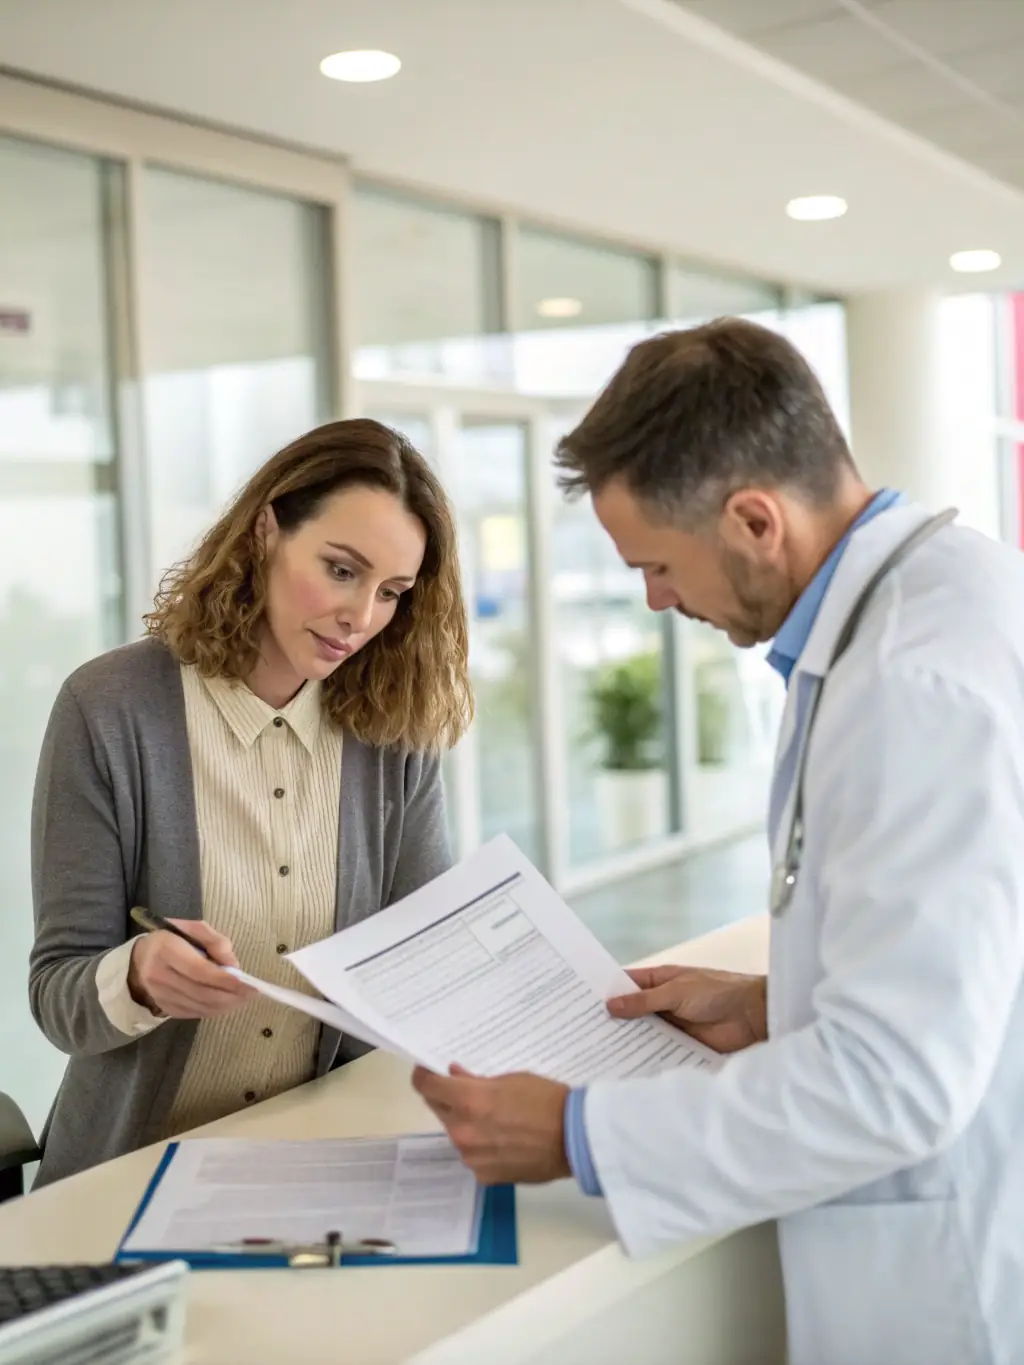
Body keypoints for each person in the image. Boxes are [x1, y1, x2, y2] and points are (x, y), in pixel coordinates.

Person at [413, 319, 1024, 1365]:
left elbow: (897, 1083)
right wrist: (771, 1001)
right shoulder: (950, 592)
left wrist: (575, 1133)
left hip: (955, 1284)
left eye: (656, 565)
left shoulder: (905, 683)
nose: (654, 601)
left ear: (751, 519)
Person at [30, 418, 471, 1185]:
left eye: (392, 592)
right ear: (266, 531)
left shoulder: (396, 735)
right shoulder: (108, 710)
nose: (360, 617)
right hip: (131, 1173)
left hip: (324, 1164)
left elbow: (422, 971)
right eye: (340, 570)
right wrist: (136, 976)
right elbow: (56, 992)